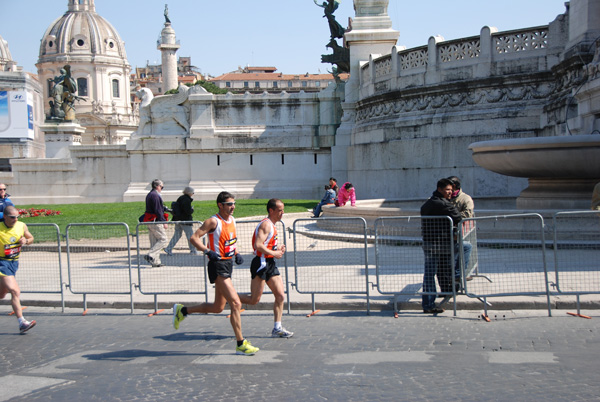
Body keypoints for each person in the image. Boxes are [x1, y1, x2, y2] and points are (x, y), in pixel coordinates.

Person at [172, 191, 259, 356]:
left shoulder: (232, 220)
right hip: (217, 265)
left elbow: (231, 240)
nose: (233, 207)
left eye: (234, 203)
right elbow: (194, 238)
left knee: (218, 307)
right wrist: (207, 251)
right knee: (235, 303)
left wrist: (237, 253)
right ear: (220, 205)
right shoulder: (213, 221)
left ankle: (182, 311)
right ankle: (241, 344)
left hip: (228, 263)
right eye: (229, 204)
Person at [238, 199, 293, 338]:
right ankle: (228, 297)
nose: (283, 213)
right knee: (254, 300)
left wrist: (277, 248)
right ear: (271, 210)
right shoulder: (266, 225)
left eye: (283, 209)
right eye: (280, 210)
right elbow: (258, 245)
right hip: (261, 263)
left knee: (280, 295)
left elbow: (266, 245)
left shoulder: (273, 225)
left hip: (270, 263)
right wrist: (274, 253)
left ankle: (277, 327)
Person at [420, 178, 462, 314]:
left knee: (432, 272)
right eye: (447, 190)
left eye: (451, 189)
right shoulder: (442, 203)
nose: (450, 192)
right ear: (440, 189)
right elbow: (457, 216)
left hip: (432, 242)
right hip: (437, 243)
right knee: (431, 273)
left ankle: (437, 297)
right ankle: (428, 304)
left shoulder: (430, 202)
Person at [0, 206, 36, 333]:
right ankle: (22, 322)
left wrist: (26, 241)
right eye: (12, 217)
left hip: (14, 263)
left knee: (2, 294)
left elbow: (31, 238)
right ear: (4, 216)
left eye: (17, 217)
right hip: (2, 263)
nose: (15, 219)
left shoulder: (21, 225)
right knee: (15, 291)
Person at [447, 176, 473, 282]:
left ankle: (457, 276)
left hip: (457, 234)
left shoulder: (465, 198)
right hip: (444, 234)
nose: (448, 191)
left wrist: (450, 217)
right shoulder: (442, 197)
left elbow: (468, 213)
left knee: (462, 249)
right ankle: (454, 277)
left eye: (449, 188)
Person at [143, 179, 168, 267]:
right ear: (157, 186)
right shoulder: (155, 196)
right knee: (163, 239)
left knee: (154, 242)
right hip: (155, 221)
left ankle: (156, 262)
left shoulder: (150, 194)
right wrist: (163, 221)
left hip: (149, 221)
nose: (162, 188)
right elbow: (158, 210)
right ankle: (151, 254)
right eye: (162, 187)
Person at [164, 186, 197, 255]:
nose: (193, 194)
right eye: (192, 192)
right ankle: (193, 250)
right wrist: (192, 210)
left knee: (177, 235)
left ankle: (168, 248)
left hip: (178, 219)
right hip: (185, 221)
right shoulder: (187, 200)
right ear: (190, 193)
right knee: (190, 236)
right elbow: (187, 211)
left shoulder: (181, 198)